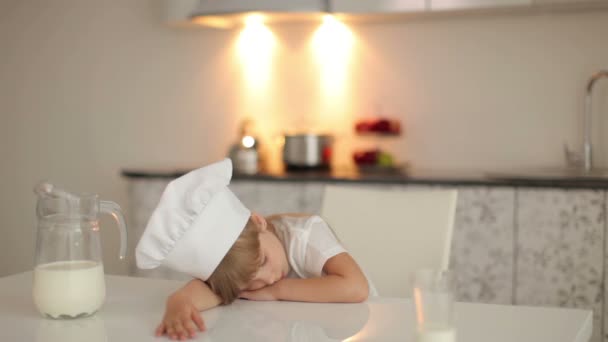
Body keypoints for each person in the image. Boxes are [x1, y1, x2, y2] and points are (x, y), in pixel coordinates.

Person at [135, 159, 374, 340]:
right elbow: (214, 291)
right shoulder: (242, 274)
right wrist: (179, 301)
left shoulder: (305, 235)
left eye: (262, 262)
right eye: (249, 284)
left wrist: (277, 291)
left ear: (258, 222)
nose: (267, 279)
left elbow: (356, 287)